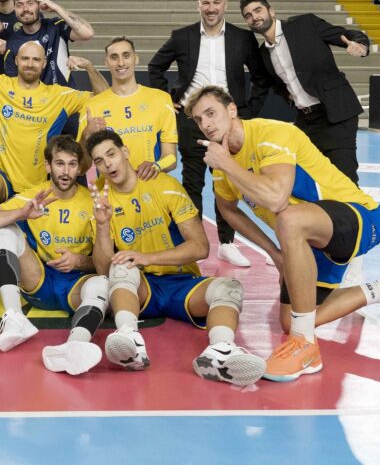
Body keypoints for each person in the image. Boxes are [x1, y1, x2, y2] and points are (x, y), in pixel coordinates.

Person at [188, 85, 380, 382]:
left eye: (211, 113)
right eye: (199, 119)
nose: (206, 123)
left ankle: (304, 347)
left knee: (288, 219)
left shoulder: (270, 133)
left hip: (357, 217)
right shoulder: (222, 167)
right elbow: (228, 211)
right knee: (291, 319)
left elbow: (276, 199)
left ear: (232, 110)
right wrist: (274, 253)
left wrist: (226, 163)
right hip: (307, 239)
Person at [86, 129, 266, 387]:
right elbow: (104, 270)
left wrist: (148, 257)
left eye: (111, 154)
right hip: (141, 288)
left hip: (181, 283)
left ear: (125, 152)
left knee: (229, 288)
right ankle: (129, 339)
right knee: (121, 267)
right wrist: (103, 225)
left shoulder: (165, 186)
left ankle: (220, 353)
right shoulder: (101, 199)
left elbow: (200, 247)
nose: (108, 164)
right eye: (100, 161)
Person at [0, 135, 110, 376]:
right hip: (39, 280)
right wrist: (20, 213)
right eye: (59, 163)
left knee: (103, 283)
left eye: (72, 164)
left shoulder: (93, 202)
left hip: (77, 285)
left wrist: (80, 260)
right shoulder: (35, 196)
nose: (65, 171)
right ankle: (14, 317)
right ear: (48, 166)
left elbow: (105, 266)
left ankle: (75, 346)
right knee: (4, 229)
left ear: (79, 168)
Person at [147, 0, 271, 268]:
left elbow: (260, 77)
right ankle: (194, 243)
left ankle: (227, 243)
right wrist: (167, 101)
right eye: (206, 3)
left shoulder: (242, 38)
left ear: (224, 4)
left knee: (227, 183)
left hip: (228, 123)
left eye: (216, 2)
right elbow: (155, 67)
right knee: (192, 182)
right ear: (198, 5)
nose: (211, 8)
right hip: (193, 121)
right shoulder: (183, 36)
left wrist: (249, 110)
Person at [0, 36, 105, 210]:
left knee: (29, 220)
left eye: (36, 60)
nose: (30, 64)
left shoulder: (60, 95)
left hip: (36, 181)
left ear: (44, 64)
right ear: (16, 61)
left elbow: (105, 96)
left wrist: (89, 67)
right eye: (25, 58)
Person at [239, 0, 368, 185]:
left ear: (271, 11)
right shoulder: (263, 53)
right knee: (303, 177)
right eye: (248, 15)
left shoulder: (305, 24)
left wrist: (360, 45)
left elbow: (346, 35)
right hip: (306, 119)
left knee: (344, 178)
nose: (254, 17)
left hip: (336, 112)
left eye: (258, 10)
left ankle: (355, 204)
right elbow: (269, 86)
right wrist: (242, 120)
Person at [80, 36, 178, 180]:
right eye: (114, 57)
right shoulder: (92, 106)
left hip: (149, 187)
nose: (121, 63)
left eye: (126, 56)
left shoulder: (161, 99)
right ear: (106, 63)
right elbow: (82, 167)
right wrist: (86, 135)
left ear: (136, 59)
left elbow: (171, 158)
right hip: (111, 190)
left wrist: (156, 166)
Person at [2, 0, 96, 87]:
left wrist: (56, 8)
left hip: (66, 94)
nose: (25, 9)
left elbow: (88, 33)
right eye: (19, 5)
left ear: (39, 6)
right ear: (14, 10)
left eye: (30, 3)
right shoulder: (12, 43)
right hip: (37, 96)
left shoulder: (55, 26)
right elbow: (13, 85)